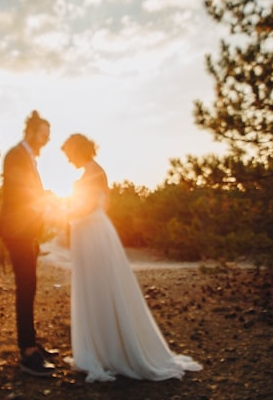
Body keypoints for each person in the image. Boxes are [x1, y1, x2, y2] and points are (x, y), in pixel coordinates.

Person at [60, 133, 202, 382]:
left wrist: (63, 214)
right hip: (90, 230)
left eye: (69, 153)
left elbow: (91, 206)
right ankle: (101, 347)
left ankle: (112, 350)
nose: (68, 159)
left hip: (92, 232)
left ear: (78, 149)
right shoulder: (91, 172)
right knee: (93, 287)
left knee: (102, 286)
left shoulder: (94, 172)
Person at [0, 111, 59, 377]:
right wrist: (42, 204)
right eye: (43, 135)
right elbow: (18, 193)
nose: (45, 140)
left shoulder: (28, 158)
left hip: (26, 231)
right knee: (25, 288)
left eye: (48, 136)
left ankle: (31, 343)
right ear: (31, 132)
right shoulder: (16, 156)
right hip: (17, 231)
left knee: (29, 287)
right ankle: (27, 353)